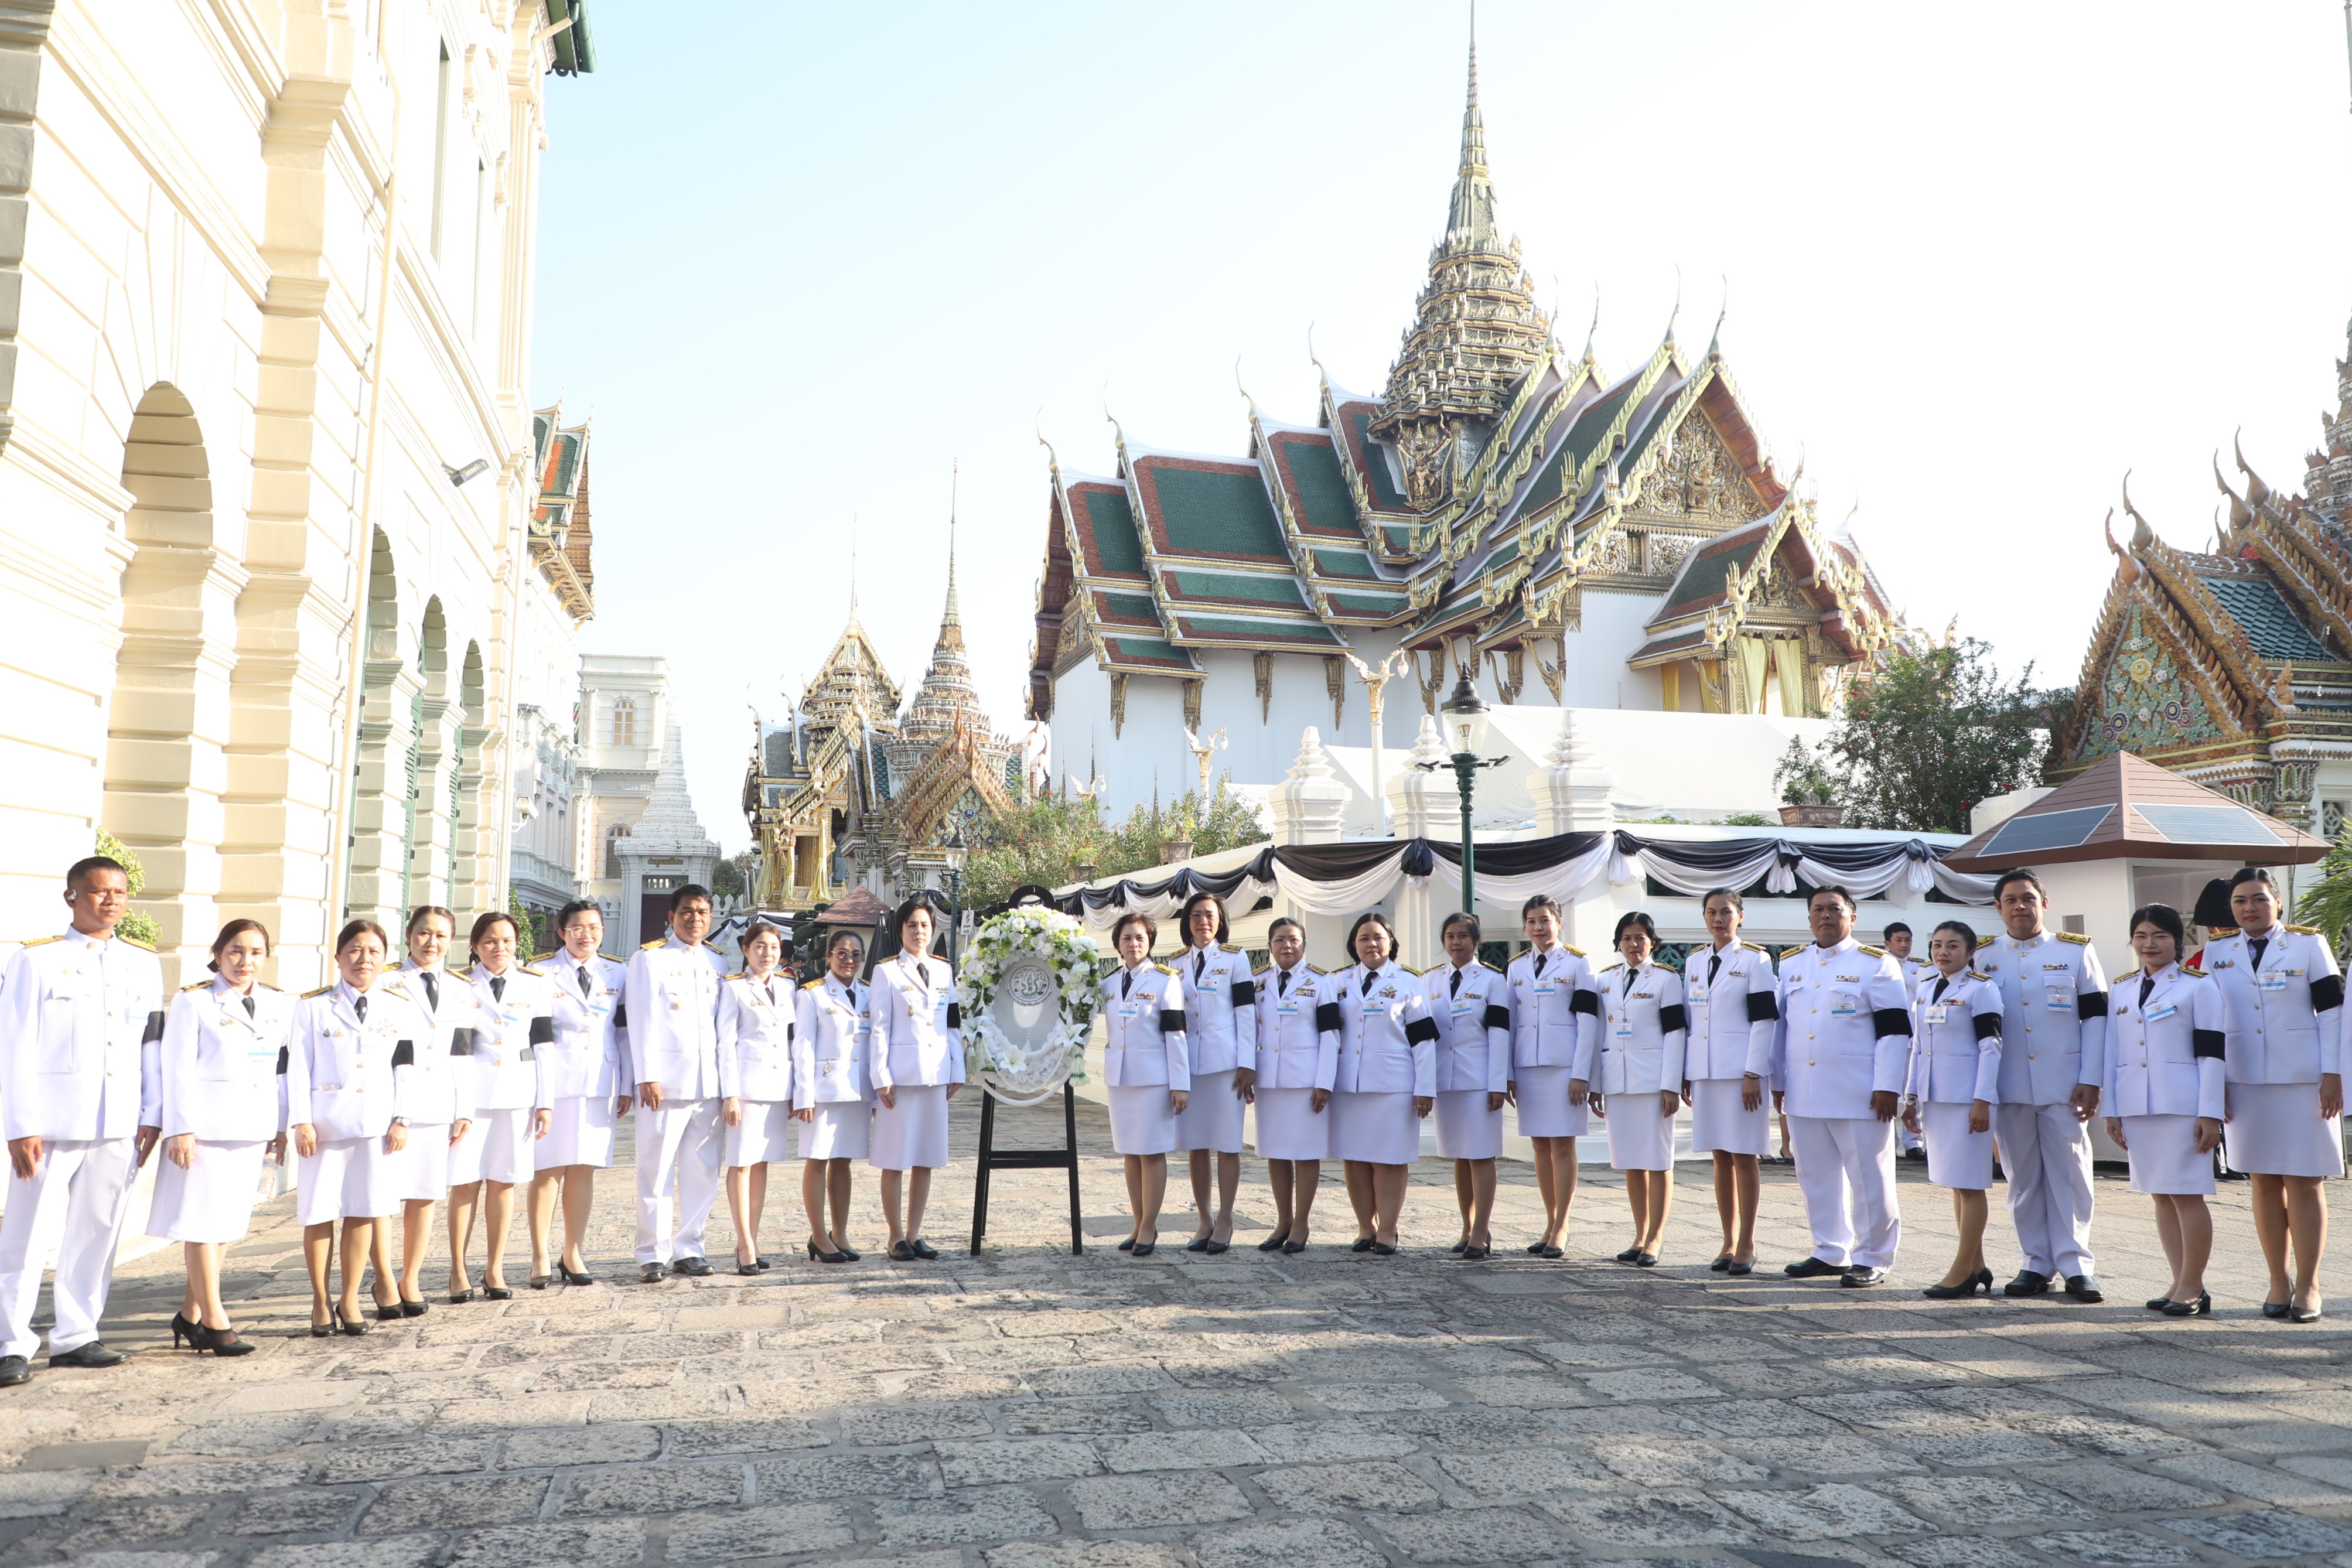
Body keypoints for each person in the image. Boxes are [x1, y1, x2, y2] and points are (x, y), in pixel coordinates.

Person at [0, 855, 163, 1386]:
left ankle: (77, 1334)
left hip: (118, 1120)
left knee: (98, 1231)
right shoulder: (36, 961)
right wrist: (20, 1124)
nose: (110, 900)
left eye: (119, 892)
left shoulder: (143, 963)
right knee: (26, 1236)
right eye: (98, 891)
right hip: (49, 1125)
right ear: (72, 897)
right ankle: (12, 1342)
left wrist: (152, 1111)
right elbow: (14, 1045)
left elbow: (150, 1045)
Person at [2201, 867, 2341, 1322]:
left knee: (2304, 1180)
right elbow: (2205, 1024)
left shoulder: (2307, 944)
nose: (2248, 907)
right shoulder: (2217, 952)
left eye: (2258, 899)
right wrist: (2210, 1086)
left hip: (2304, 1081)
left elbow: (2334, 1013)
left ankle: (2309, 1284)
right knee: (2261, 1181)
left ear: (2277, 903)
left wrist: (2334, 1072)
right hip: (2243, 1081)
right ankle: (2277, 1281)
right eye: (2240, 900)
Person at [149, 919, 293, 1355]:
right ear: (216, 953)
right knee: (202, 1224)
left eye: (254, 951)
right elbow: (175, 1068)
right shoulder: (195, 1002)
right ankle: (216, 1321)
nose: (245, 960)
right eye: (235, 950)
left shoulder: (276, 1003)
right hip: (205, 1131)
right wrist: (180, 1128)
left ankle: (190, 1314)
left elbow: (279, 1069)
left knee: (227, 1225)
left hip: (251, 1128)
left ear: (266, 956)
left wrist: (281, 1124)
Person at [1975, 868, 2110, 1303]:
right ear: (1998, 907)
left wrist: (2091, 1078)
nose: (2019, 906)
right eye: (2010, 899)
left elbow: (2095, 1019)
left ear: (2043, 903)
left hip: (2064, 1084)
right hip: (2008, 1083)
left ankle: (2074, 1264)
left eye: (2028, 898)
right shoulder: (1984, 957)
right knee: (2022, 1178)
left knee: (2070, 1175)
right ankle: (2035, 1261)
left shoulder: (2074, 951)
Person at [1774, 885, 1913, 1288]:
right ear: (1808, 918)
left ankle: (1872, 1256)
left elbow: (1894, 1031)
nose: (1825, 916)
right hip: (1805, 1087)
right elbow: (1781, 1028)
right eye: (1817, 909)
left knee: (1869, 1175)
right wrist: (1778, 1081)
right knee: (1814, 1174)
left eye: (1834, 909)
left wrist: (1888, 1084)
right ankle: (1829, 1249)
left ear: (1852, 917)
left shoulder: (1876, 964)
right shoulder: (1792, 964)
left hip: (1860, 1091)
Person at [287, 919, 414, 1335]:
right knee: (320, 1213)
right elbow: (297, 1067)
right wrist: (300, 1120)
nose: (364, 959)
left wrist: (402, 1117)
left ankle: (350, 1298)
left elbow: (405, 1066)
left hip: (376, 1124)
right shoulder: (312, 1006)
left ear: (384, 957)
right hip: (324, 1127)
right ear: (339, 956)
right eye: (355, 950)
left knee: (363, 1210)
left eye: (374, 951)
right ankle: (321, 1300)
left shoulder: (398, 1004)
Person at [2104, 903, 2227, 1317]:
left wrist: (2209, 1111)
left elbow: (2212, 1053)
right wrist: (2112, 1109)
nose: (2149, 943)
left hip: (2182, 1106)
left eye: (2159, 935)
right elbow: (2112, 1052)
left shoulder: (2198, 986)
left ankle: (2192, 1285)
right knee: (2160, 1196)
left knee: (2187, 1194)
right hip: (2137, 1104)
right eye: (2140, 935)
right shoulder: (2121, 988)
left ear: (2177, 940)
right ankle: (2179, 1280)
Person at [623, 884, 728, 1282]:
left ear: (711, 917)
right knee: (655, 1168)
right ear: (671, 917)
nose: (695, 918)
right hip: (664, 1085)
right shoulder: (649, 960)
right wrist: (647, 1075)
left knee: (702, 1170)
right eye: (686, 911)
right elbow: (642, 1018)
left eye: (702, 911)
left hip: (708, 1084)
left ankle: (691, 1247)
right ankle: (652, 1252)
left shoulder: (717, 961)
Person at [446, 912, 553, 1301]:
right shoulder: (459, 986)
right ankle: (458, 1268)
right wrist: (459, 1104)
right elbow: (457, 1049)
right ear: (475, 946)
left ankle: (495, 1267)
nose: (499, 948)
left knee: (504, 1181)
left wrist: (546, 1101)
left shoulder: (535, 984)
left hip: (517, 1095)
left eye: (507, 940)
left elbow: (543, 1044)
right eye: (490, 941)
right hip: (471, 1097)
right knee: (464, 1182)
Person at [530, 900, 633, 1288]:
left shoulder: (616, 972)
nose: (585, 934)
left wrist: (625, 1084)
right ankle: (540, 1253)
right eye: (577, 928)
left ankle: (573, 1250)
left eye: (593, 927)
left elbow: (622, 1032)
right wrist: (539, 1093)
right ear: (562, 932)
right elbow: (536, 1035)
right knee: (547, 1170)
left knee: (583, 1168)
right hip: (555, 1085)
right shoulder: (541, 972)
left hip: (600, 1083)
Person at [1900, 920, 2004, 1299]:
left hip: (1965, 1100)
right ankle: (1976, 1264)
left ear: (1970, 951)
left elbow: (1991, 1048)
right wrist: (1910, 1097)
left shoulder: (1982, 990)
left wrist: (1982, 1099)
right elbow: (1917, 1047)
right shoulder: (1926, 987)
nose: (1943, 952)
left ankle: (1961, 1270)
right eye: (1937, 945)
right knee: (1955, 1185)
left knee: (1970, 1184)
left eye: (1953, 946)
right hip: (1936, 1098)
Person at [379, 906, 473, 1316]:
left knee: (424, 1195)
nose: (430, 942)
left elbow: (464, 1050)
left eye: (439, 935)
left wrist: (464, 1106)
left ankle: (410, 1277)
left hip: (438, 1104)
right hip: (390, 1106)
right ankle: (383, 1277)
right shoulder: (385, 982)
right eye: (422, 933)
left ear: (450, 940)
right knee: (381, 1198)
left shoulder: (460, 988)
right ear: (408, 935)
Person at [1578, 911, 1686, 1266]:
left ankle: (1656, 1237)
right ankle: (1639, 1235)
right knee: (1631, 1162)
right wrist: (1595, 1084)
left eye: (1640, 937)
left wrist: (1671, 1084)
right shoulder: (1606, 980)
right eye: (1626, 938)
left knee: (1657, 1160)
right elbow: (1598, 1034)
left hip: (1653, 1081)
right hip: (1617, 1080)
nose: (1634, 944)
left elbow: (1675, 1033)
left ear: (1652, 941)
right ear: (1618, 944)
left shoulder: (1667, 980)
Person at [1330, 912, 1438, 1256]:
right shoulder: (1338, 982)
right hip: (1350, 1085)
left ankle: (1388, 1229)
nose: (1371, 943)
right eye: (1364, 938)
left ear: (1391, 943)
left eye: (1378, 937)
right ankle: (1366, 1227)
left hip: (1394, 1086)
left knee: (1390, 1159)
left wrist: (1425, 1087)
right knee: (1355, 1158)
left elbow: (1423, 1040)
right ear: (1353, 945)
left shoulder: (1409, 982)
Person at [1683, 887, 1778, 1275]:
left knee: (1743, 1155)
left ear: (1740, 916)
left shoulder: (1755, 959)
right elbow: (1690, 1022)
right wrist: (1685, 1073)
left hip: (1741, 1073)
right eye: (1711, 912)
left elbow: (1763, 1019)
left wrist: (1753, 1072)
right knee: (1719, 1156)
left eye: (1725, 912)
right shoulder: (1694, 961)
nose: (1718, 919)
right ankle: (1726, 1240)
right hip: (1705, 1072)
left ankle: (1747, 1241)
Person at [868, 897, 963, 1260]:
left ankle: (914, 1233)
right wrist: (881, 1076)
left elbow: (951, 1022)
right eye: (912, 926)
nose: (919, 932)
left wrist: (957, 1069)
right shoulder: (887, 972)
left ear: (932, 929)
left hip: (936, 1074)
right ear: (901, 930)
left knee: (926, 1157)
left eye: (924, 926)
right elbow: (878, 1028)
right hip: (900, 1079)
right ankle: (895, 1236)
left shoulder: (943, 970)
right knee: (895, 1159)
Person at [1506, 893, 1599, 1258]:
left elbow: (1588, 1022)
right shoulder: (1516, 967)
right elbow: (1511, 1024)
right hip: (1529, 1066)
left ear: (1559, 923)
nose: (1538, 927)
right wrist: (1509, 1073)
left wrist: (1581, 1074)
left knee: (1562, 1145)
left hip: (1564, 1068)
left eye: (1545, 920)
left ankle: (1563, 1224)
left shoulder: (1578, 963)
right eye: (1531, 921)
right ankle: (1549, 1220)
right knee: (1539, 1146)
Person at [1169, 893, 1255, 1253]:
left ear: (1220, 920)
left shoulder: (1236, 959)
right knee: (1195, 1144)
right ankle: (1204, 1218)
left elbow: (1247, 1013)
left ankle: (1226, 1217)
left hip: (1226, 1066)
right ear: (1187, 922)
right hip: (1189, 1064)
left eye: (1209, 915)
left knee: (1227, 1143)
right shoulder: (1175, 963)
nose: (1202, 921)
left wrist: (1248, 1062)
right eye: (1195, 915)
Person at [1101, 912, 1189, 1257]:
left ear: (1150, 942)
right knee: (1130, 1153)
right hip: (1121, 1080)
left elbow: (1176, 1035)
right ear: (1118, 944)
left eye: (1140, 938)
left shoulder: (1165, 981)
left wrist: (1180, 1084)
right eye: (1127, 938)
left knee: (1151, 1153)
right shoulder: (1109, 983)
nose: (1133, 944)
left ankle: (1150, 1226)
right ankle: (1137, 1222)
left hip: (1154, 1080)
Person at [1425, 913, 1511, 1260]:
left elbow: (1500, 1033)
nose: (1456, 942)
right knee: (1459, 1155)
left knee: (1480, 1154)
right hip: (1445, 1079)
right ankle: (1467, 1225)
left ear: (1477, 941)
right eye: (1450, 936)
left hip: (1479, 1079)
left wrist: (1497, 1083)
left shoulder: (1492, 980)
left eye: (1463, 936)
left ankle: (1482, 1230)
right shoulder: (1430, 980)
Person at [1251, 917, 1340, 1255]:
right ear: (1270, 945)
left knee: (1304, 1152)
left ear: (1304, 944)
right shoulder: (1258, 980)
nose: (1286, 945)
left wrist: (1324, 1082)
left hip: (1306, 1081)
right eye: (1279, 940)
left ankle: (1301, 1222)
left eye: (1293, 939)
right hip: (1269, 1079)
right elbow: (1251, 1029)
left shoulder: (1321, 981)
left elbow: (1331, 1036)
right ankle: (1283, 1220)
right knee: (1275, 1151)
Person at [718, 921, 796, 1275]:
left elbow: (790, 1041)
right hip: (746, 1089)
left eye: (774, 948)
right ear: (746, 950)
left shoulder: (788, 986)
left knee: (762, 1163)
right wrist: (730, 1094)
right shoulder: (734, 989)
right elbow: (726, 1043)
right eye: (760, 947)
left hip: (777, 1087)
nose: (768, 954)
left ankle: (753, 1238)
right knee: (742, 1163)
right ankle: (744, 1242)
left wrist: (795, 1091)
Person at [793, 929, 873, 1262]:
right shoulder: (812, 995)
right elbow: (803, 1046)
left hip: (856, 1090)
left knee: (844, 1161)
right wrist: (804, 1095)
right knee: (818, 1159)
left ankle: (839, 1232)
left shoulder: (869, 994)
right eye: (841, 952)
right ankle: (819, 1235)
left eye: (855, 954)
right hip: (822, 1090)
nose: (849, 959)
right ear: (828, 956)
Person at [1885, 922, 1931, 1160]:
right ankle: (1888, 1142)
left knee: (1914, 1093)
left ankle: (1914, 1142)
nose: (1904, 945)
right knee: (1889, 1090)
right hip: (1891, 1038)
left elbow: (1922, 988)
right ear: (1888, 943)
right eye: (1899, 940)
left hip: (1916, 1037)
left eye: (1908, 940)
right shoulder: (1879, 964)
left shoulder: (1919, 966)